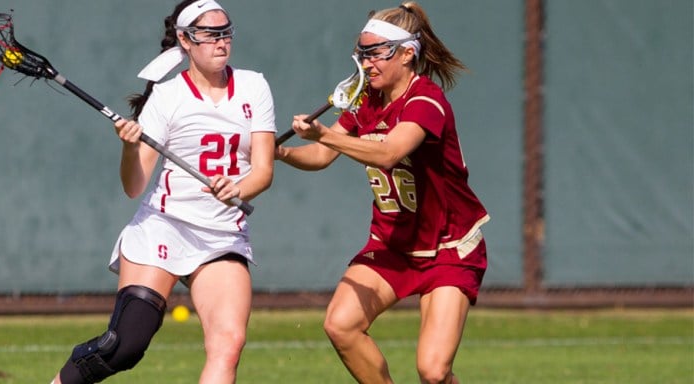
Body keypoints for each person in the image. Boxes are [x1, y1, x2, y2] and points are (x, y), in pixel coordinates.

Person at [51, 0, 276, 383]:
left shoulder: (254, 86)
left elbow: (264, 171)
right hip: (165, 227)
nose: (222, 42)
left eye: (227, 33)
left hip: (222, 237)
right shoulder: (167, 97)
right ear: (185, 40)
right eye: (210, 35)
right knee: (124, 345)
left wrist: (236, 186)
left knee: (228, 343)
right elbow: (134, 186)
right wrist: (128, 146)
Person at [276, 2, 489, 383]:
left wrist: (324, 133)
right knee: (341, 325)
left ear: (408, 54)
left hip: (448, 247)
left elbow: (390, 152)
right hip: (393, 244)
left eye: (376, 53)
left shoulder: (426, 101)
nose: (366, 63)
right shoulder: (364, 100)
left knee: (434, 372)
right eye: (362, 53)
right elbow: (322, 155)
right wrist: (280, 153)